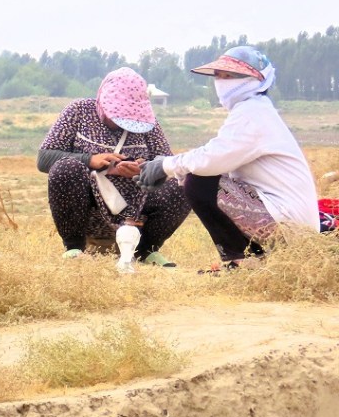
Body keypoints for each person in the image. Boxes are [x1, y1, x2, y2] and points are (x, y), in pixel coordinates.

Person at [135, 46, 318, 270]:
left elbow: (211, 160)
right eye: (219, 76)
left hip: (290, 228)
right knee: (196, 175)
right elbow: (218, 155)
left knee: (198, 180)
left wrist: (166, 165)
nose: (221, 81)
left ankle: (242, 262)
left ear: (254, 80)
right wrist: (169, 168)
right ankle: (256, 260)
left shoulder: (253, 114)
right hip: (287, 221)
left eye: (229, 76)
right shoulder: (253, 110)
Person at [38, 66, 191, 270]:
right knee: (66, 168)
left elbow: (168, 164)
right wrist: (89, 159)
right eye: (117, 117)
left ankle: (144, 250)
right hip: (90, 211)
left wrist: (144, 169)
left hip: (136, 210)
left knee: (185, 183)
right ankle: (74, 248)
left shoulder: (150, 123)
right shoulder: (78, 111)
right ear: (101, 102)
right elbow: (45, 158)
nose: (121, 124)